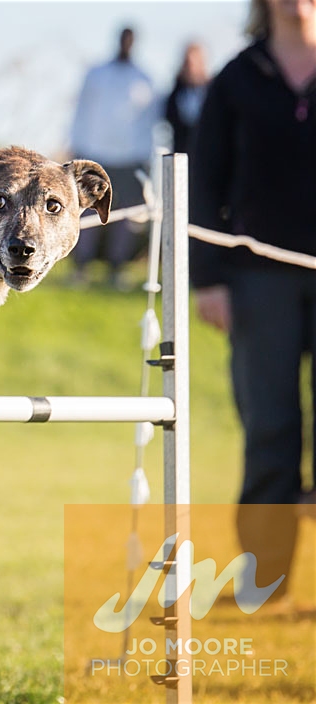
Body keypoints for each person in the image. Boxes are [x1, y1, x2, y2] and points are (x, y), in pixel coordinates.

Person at [191, 0, 316, 602]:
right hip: (257, 280)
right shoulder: (236, 78)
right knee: (270, 429)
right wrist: (207, 279)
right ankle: (265, 581)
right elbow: (202, 180)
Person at [68, 26, 158, 289]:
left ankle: (117, 267)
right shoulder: (96, 74)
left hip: (130, 157)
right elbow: (81, 110)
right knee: (88, 210)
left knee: (125, 215)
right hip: (94, 152)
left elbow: (150, 121)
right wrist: (76, 147)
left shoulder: (144, 79)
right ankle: (81, 266)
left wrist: (146, 155)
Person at [164, 41, 211, 153]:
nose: (190, 68)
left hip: (206, 151)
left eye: (193, 63)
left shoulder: (211, 90)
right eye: (187, 63)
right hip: (182, 151)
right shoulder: (177, 92)